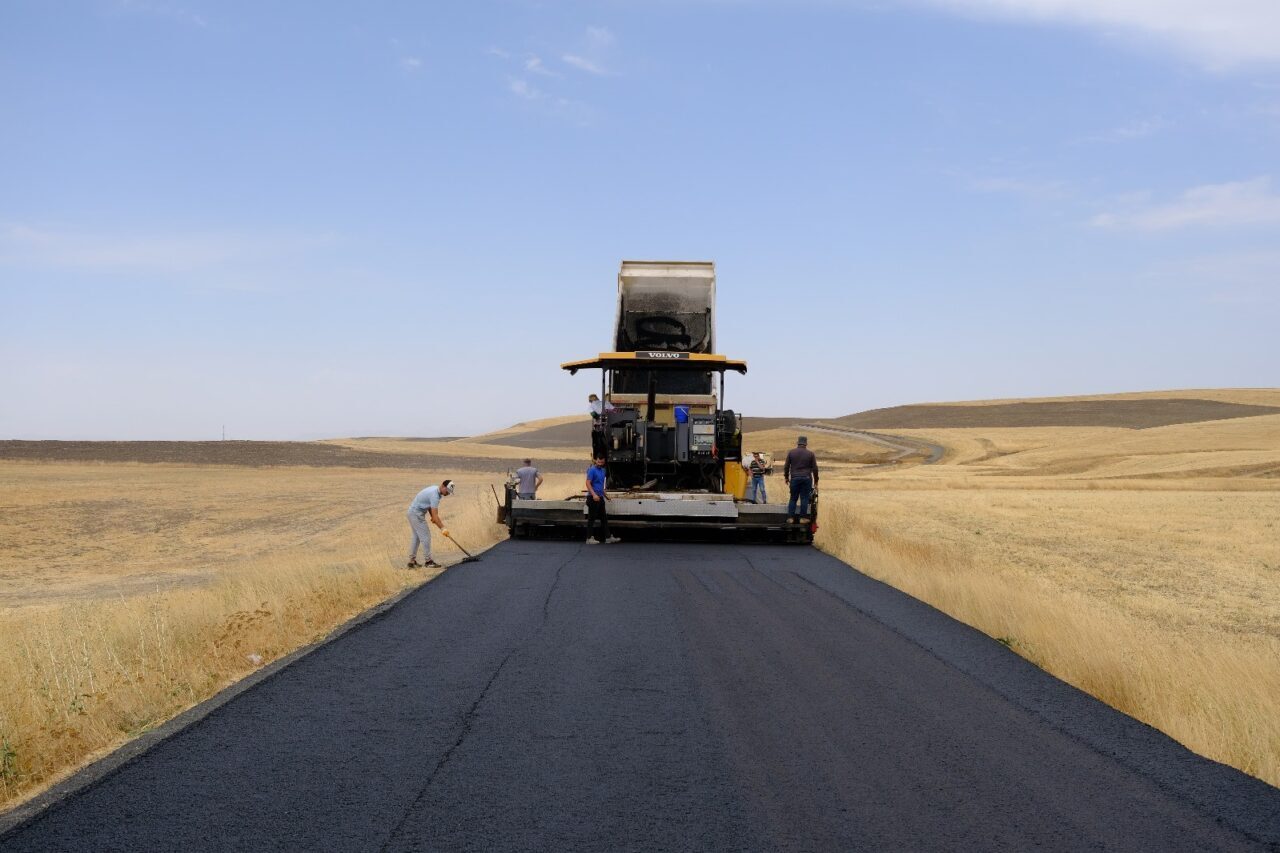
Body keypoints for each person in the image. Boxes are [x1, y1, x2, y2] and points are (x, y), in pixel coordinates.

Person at [406, 479, 455, 568]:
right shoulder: (435, 496)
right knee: (426, 536)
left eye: (449, 492)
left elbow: (429, 506)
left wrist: (432, 516)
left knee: (416, 537)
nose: (448, 494)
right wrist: (443, 528)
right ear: (443, 486)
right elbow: (436, 516)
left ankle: (411, 562)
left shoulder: (435, 490)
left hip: (412, 513)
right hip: (416, 514)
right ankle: (428, 561)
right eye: (447, 491)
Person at [585, 453, 620, 544]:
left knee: (604, 518)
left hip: (600, 498)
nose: (600, 463)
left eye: (602, 462)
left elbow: (601, 486)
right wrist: (594, 495)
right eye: (598, 461)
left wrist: (606, 496)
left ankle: (608, 537)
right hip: (593, 498)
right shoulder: (592, 470)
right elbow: (588, 483)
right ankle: (589, 538)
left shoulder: (603, 471)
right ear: (595, 460)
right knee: (591, 519)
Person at [784, 436, 819, 523]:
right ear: (806, 443)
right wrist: (816, 481)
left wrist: (786, 477)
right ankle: (803, 518)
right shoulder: (810, 454)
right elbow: (815, 468)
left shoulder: (791, 453)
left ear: (798, 443)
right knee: (804, 498)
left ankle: (790, 518)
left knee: (793, 498)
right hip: (806, 478)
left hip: (795, 478)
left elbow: (786, 466)